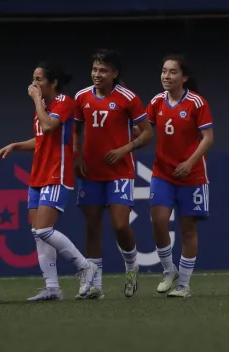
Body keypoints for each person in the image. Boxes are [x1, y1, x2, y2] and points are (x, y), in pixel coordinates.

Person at [0, 62, 97, 301]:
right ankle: (52, 287)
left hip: (57, 173)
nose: (34, 84)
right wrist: (16, 145)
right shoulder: (45, 106)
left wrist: (36, 100)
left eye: (39, 79)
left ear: (53, 83)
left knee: (43, 229)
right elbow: (41, 138)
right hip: (38, 175)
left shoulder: (64, 102)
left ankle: (85, 267)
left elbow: (49, 126)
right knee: (36, 231)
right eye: (33, 78)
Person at [74, 49, 153, 299]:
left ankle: (131, 267)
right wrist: (76, 155)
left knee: (120, 225)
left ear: (114, 74)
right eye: (95, 69)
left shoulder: (128, 98)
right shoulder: (82, 97)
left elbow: (147, 132)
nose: (97, 74)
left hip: (120, 171)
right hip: (91, 172)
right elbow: (76, 130)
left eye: (103, 70)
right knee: (92, 228)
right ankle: (94, 285)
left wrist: (125, 149)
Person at [145, 55, 213, 298]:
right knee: (159, 220)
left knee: (187, 229)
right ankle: (168, 270)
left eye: (172, 72)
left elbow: (208, 138)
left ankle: (184, 285)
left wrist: (190, 162)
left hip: (192, 175)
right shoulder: (156, 102)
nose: (166, 76)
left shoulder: (196, 103)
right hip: (163, 172)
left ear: (184, 77)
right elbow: (144, 130)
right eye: (164, 71)